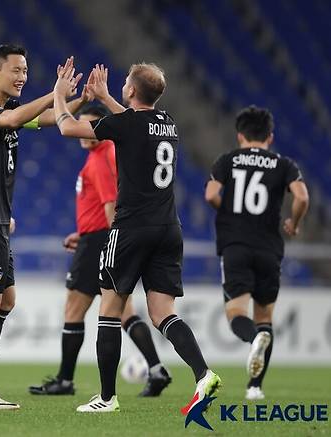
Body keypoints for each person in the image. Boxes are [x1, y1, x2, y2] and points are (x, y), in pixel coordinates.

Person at [52, 62, 221, 413]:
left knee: (110, 312)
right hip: (168, 229)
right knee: (162, 314)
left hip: (130, 228)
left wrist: (58, 91)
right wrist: (108, 98)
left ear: (130, 91)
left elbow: (68, 126)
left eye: (126, 85)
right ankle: (203, 373)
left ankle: (107, 398)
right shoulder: (167, 123)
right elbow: (133, 123)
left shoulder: (127, 123)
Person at [0, 45, 91, 410]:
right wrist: (55, 92)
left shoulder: (10, 110)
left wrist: (76, 100)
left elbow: (47, 119)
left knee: (6, 300)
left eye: (26, 71)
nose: (22, 77)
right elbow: (13, 122)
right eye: (16, 70)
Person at [28, 105, 171, 397]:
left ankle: (65, 380)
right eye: (82, 123)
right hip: (95, 237)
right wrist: (83, 234)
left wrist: (106, 243)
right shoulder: (103, 155)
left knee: (74, 308)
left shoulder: (101, 157)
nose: (84, 130)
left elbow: (110, 206)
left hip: (101, 241)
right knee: (124, 313)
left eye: (90, 124)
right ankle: (157, 370)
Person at [205, 105, 309, 400]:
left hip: (236, 245)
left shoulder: (228, 160)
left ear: (240, 136)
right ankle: (255, 387)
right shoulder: (283, 163)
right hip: (269, 248)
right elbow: (301, 196)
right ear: (270, 137)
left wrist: (227, 212)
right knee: (265, 316)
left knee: (237, 313)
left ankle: (254, 339)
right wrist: (294, 222)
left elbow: (211, 194)